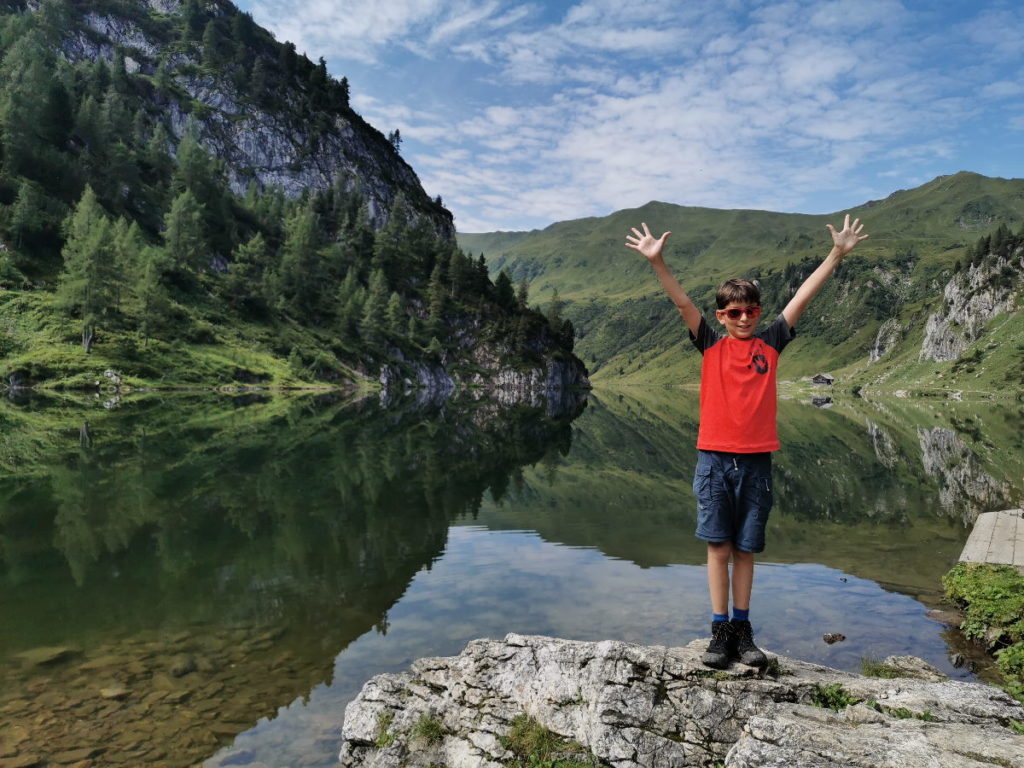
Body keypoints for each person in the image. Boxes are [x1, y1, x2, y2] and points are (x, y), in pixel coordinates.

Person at [625, 214, 869, 668]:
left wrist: (836, 253)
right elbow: (681, 303)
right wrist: (657, 262)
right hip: (714, 460)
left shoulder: (772, 343)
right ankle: (719, 631)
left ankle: (743, 629)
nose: (742, 318)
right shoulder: (710, 345)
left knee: (746, 549)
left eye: (750, 311)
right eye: (733, 313)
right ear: (720, 316)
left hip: (756, 463)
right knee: (718, 547)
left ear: (759, 313)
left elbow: (802, 295)